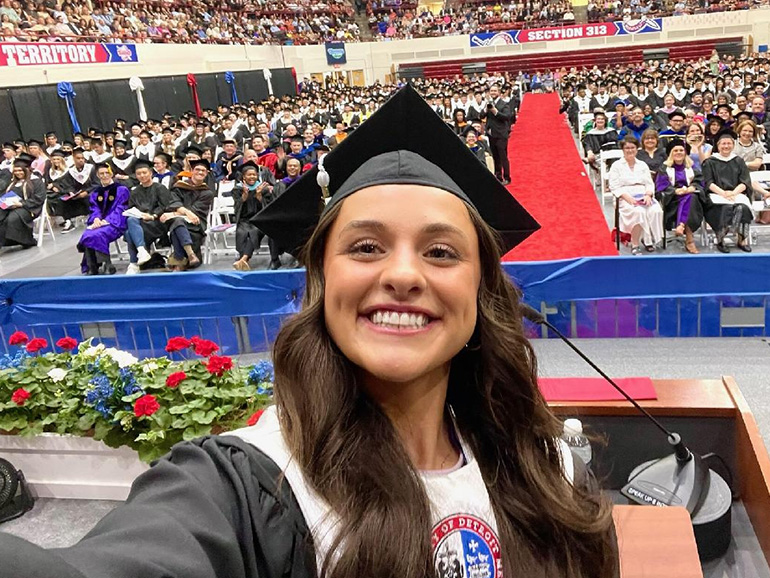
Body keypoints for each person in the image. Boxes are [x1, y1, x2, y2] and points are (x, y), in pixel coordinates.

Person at [0, 82, 620, 578]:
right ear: (321, 279)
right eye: (367, 245)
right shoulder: (243, 490)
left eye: (441, 252)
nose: (403, 274)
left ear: (481, 289)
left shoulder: (542, 467)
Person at [608, 136, 664, 255]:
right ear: (623, 150)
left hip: (643, 194)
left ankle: (648, 239)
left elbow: (649, 183)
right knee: (639, 212)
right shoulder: (616, 165)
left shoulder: (642, 164)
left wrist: (648, 195)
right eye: (627, 148)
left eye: (632, 147)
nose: (630, 150)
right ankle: (635, 244)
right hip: (624, 196)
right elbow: (614, 186)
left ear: (637, 149)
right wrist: (627, 198)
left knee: (656, 210)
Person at [702, 131, 754, 253]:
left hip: (736, 194)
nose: (726, 146)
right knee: (725, 208)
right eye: (723, 144)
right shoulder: (710, 162)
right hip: (716, 195)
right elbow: (708, 182)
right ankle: (721, 239)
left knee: (743, 208)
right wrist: (724, 193)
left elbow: (745, 182)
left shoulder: (739, 161)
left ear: (733, 145)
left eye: (729, 143)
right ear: (718, 145)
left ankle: (741, 239)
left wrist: (733, 193)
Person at [654, 139, 707, 254]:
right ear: (671, 153)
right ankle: (689, 240)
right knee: (690, 198)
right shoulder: (664, 169)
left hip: (692, 200)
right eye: (675, 150)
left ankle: (681, 226)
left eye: (681, 150)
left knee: (691, 197)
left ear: (685, 153)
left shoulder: (692, 168)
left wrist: (693, 187)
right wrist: (674, 191)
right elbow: (660, 187)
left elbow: (700, 182)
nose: (679, 152)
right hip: (672, 202)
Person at [161, 158, 214, 271]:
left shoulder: (207, 192)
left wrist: (174, 214)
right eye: (197, 169)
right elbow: (174, 202)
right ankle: (191, 255)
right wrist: (185, 212)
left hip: (196, 224)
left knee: (176, 224)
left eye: (203, 171)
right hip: (181, 222)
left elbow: (195, 211)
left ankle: (179, 260)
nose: (200, 172)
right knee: (178, 223)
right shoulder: (180, 186)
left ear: (206, 173)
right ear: (192, 171)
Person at [77, 163, 130, 275]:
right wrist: (96, 219)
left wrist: (107, 221)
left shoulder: (121, 190)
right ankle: (93, 266)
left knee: (98, 234)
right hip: (99, 223)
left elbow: (121, 208)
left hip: (115, 223)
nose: (105, 175)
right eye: (102, 173)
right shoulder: (96, 193)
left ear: (112, 174)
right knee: (87, 234)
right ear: (97, 175)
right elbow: (94, 209)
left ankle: (106, 264)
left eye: (107, 173)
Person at [124, 159, 172, 274]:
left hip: (157, 223)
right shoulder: (135, 192)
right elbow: (132, 208)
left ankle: (134, 262)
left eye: (144, 172)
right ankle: (141, 252)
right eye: (139, 174)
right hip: (140, 223)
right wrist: (139, 215)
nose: (142, 175)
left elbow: (165, 206)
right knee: (131, 220)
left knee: (129, 232)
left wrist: (152, 216)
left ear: (151, 173)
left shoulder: (160, 188)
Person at [231, 161, 279, 271]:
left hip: (260, 219)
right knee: (241, 232)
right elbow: (237, 207)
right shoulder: (237, 190)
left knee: (253, 231)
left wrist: (259, 196)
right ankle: (243, 260)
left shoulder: (264, 189)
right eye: (249, 175)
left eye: (254, 174)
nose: (252, 177)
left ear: (257, 176)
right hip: (244, 220)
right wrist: (244, 196)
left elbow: (269, 208)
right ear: (243, 177)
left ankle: (243, 259)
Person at [0, 154, 46, 249]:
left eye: (20, 170)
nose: (18, 173)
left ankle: (27, 241)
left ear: (27, 170)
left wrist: (21, 204)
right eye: (16, 170)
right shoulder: (13, 183)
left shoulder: (36, 181)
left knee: (12, 219)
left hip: (28, 208)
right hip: (11, 207)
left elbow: (39, 198)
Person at [483, 83, 512, 185]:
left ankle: (507, 177)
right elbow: (481, 115)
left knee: (503, 156)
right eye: (491, 91)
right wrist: (486, 109)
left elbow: (507, 117)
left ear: (499, 92)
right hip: (491, 135)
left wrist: (495, 111)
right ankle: (498, 176)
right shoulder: (488, 104)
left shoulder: (504, 104)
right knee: (495, 157)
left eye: (495, 91)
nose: (493, 93)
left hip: (501, 135)